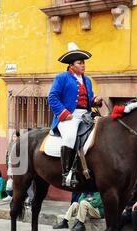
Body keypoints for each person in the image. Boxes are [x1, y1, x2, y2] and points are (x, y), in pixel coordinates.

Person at [48, 42, 102, 187]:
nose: (83, 65)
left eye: (84, 62)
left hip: (86, 115)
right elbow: (52, 97)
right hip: (69, 116)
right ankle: (66, 174)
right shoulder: (62, 78)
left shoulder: (88, 80)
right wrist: (64, 113)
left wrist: (95, 100)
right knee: (71, 137)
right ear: (71, 65)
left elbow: (88, 98)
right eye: (80, 63)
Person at [3, 131, 20, 202]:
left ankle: (23, 197)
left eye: (15, 136)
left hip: (17, 166)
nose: (14, 138)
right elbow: (8, 156)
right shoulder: (11, 145)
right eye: (13, 136)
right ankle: (10, 195)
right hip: (10, 165)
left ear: (18, 137)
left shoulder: (20, 145)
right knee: (10, 181)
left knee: (18, 182)